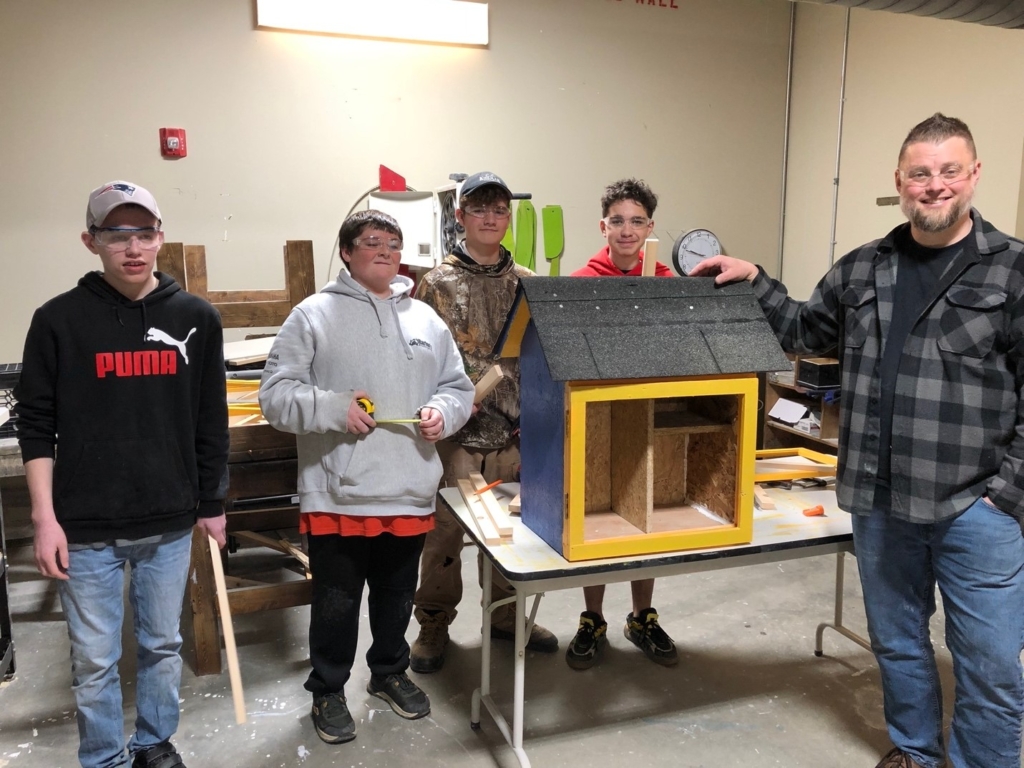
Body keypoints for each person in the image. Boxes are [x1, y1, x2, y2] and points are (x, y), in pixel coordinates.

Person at [690, 114, 1024, 768]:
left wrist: (1005, 495)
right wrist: (755, 279)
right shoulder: (864, 267)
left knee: (990, 667)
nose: (934, 185)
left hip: (973, 508)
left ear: (974, 175)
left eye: (949, 171)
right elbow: (805, 329)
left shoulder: (1012, 271)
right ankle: (916, 753)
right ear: (899, 182)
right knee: (898, 644)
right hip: (878, 500)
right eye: (920, 174)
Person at [14, 181, 230, 768]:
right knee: (94, 660)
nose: (132, 248)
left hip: (169, 518)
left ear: (160, 237)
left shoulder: (196, 318)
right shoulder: (58, 320)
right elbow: (35, 425)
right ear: (91, 241)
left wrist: (212, 503)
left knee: (162, 645)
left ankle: (154, 744)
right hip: (84, 526)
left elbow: (210, 418)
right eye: (116, 235)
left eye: (144, 233)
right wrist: (44, 518)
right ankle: (104, 757)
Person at [259, 209, 474, 745]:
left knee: (396, 595)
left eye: (393, 244)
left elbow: (458, 387)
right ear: (347, 252)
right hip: (339, 492)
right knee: (336, 601)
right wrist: (334, 408)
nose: (385, 251)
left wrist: (444, 413)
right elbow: (275, 396)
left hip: (409, 486)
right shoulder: (313, 315)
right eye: (372, 241)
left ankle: (388, 672)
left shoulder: (426, 320)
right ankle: (328, 688)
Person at [409, 171, 558, 674]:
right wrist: (443, 403)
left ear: (508, 218)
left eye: (498, 210)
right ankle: (434, 622)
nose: (490, 218)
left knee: (510, 534)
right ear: (461, 216)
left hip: (515, 433)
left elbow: (542, 358)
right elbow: (418, 358)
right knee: (444, 535)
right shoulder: (436, 283)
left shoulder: (528, 283)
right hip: (457, 435)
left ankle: (505, 616)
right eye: (479, 209)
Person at [565, 178, 679, 670]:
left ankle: (641, 617)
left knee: (644, 515)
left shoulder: (670, 286)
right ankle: (593, 618)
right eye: (618, 221)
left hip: (648, 414)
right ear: (603, 226)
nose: (627, 230)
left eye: (637, 221)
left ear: (651, 227)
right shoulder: (580, 284)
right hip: (596, 417)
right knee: (595, 516)